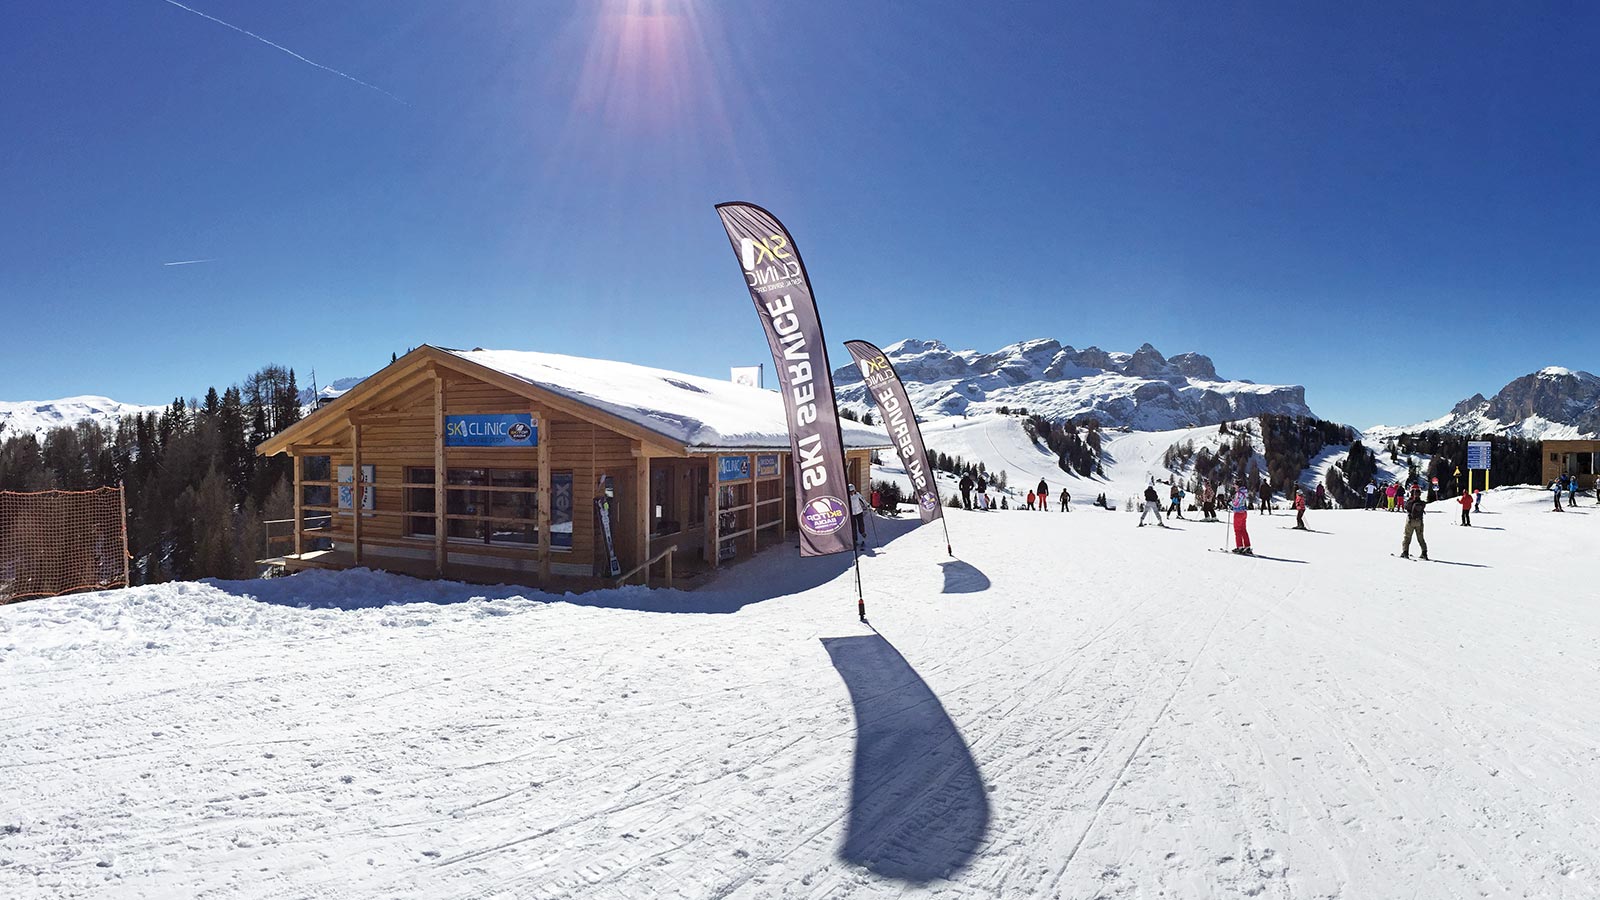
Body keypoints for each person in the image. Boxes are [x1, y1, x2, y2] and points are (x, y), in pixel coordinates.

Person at [1401, 485, 1429, 559]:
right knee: (1420, 538)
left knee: (1407, 537)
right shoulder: (1421, 503)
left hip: (1410, 521)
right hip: (1419, 522)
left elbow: (1406, 507)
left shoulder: (1410, 502)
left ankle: (1405, 552)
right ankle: (1424, 553)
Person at [1229, 482, 1252, 554]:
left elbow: (1237, 504)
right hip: (1243, 512)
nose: (1234, 486)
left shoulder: (1239, 493)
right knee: (1243, 530)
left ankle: (1240, 546)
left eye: (1235, 485)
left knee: (1237, 530)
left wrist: (1230, 503)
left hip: (1238, 513)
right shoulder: (1244, 492)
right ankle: (1247, 546)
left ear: (1238, 486)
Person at [848, 484, 868, 550]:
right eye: (850, 491)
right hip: (852, 514)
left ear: (854, 490)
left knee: (861, 525)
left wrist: (867, 505)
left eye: (852, 491)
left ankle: (863, 535)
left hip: (859, 512)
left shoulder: (858, 495)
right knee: (853, 527)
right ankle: (855, 540)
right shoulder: (847, 497)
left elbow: (863, 501)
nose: (851, 493)